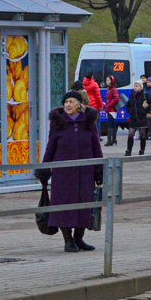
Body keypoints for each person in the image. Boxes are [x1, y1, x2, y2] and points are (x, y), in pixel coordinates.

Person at [42, 90, 102, 253]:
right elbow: (51, 146)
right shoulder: (58, 122)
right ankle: (67, 239)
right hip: (63, 173)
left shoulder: (88, 122)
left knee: (83, 204)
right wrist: (44, 168)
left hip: (85, 172)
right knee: (63, 205)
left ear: (79, 104)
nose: (67, 105)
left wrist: (99, 170)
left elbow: (96, 146)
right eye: (66, 102)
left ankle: (79, 238)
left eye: (71, 101)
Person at [124, 80, 151, 156]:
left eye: (137, 86)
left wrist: (145, 110)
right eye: (134, 86)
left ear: (141, 87)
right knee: (131, 134)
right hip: (133, 118)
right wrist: (130, 111)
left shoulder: (145, 95)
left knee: (142, 135)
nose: (135, 87)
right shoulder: (132, 95)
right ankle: (128, 150)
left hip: (142, 118)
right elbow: (128, 104)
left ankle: (142, 150)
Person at [101, 75, 120, 146]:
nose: (107, 82)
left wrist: (109, 105)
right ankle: (113, 139)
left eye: (108, 80)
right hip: (110, 109)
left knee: (110, 125)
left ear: (112, 81)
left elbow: (116, 98)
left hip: (111, 109)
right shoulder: (110, 89)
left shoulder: (113, 89)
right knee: (112, 124)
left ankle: (110, 140)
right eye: (106, 80)